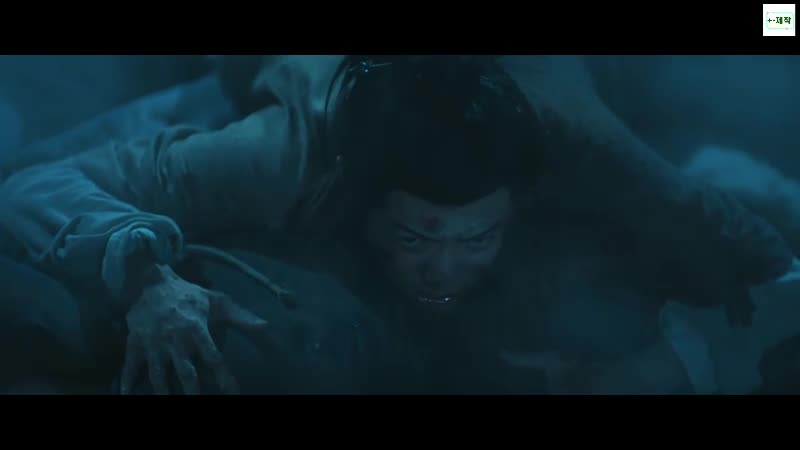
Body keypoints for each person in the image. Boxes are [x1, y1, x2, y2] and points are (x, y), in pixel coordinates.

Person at [0, 55, 796, 394]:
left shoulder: (581, 148)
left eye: (474, 239)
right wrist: (143, 276)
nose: (441, 271)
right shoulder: (289, 151)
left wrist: (681, 360)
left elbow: (765, 265)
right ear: (365, 203)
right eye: (415, 238)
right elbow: (33, 182)